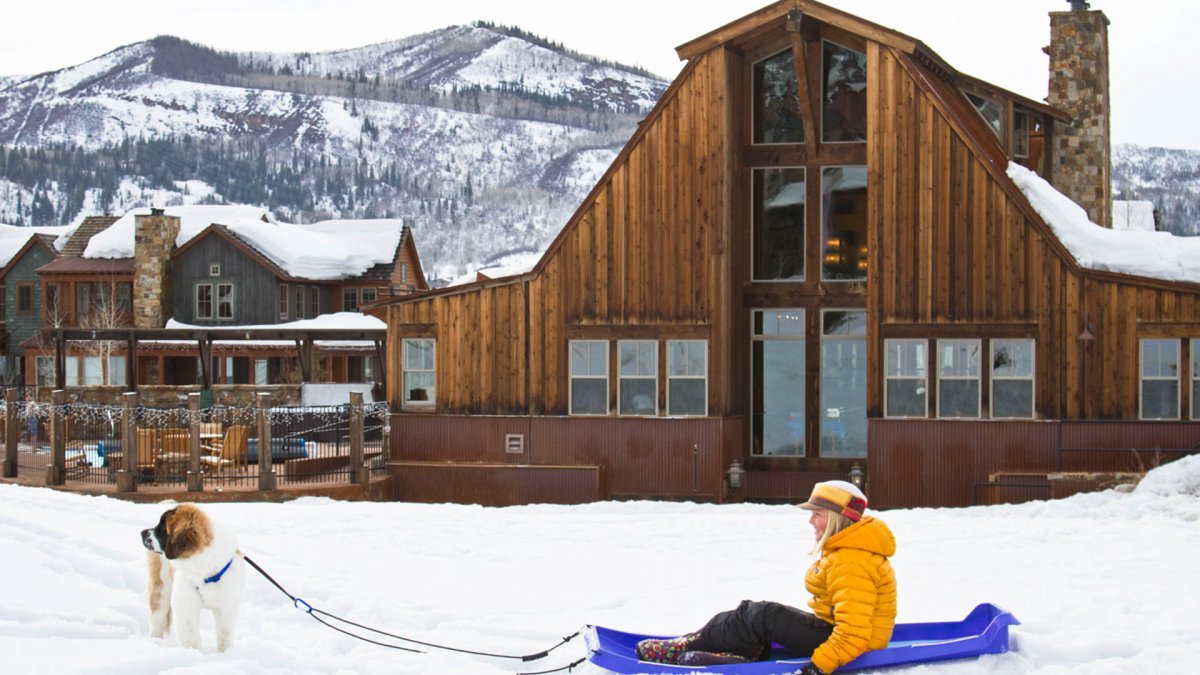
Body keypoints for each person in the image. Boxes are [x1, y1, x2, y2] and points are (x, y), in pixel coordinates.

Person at [635, 480, 896, 674]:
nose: (811, 521)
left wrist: (818, 667)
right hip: (830, 630)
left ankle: (687, 648)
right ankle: (719, 646)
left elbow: (854, 633)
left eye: (818, 514)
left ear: (838, 518)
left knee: (762, 614)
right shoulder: (847, 551)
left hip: (843, 642)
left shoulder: (852, 561)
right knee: (748, 613)